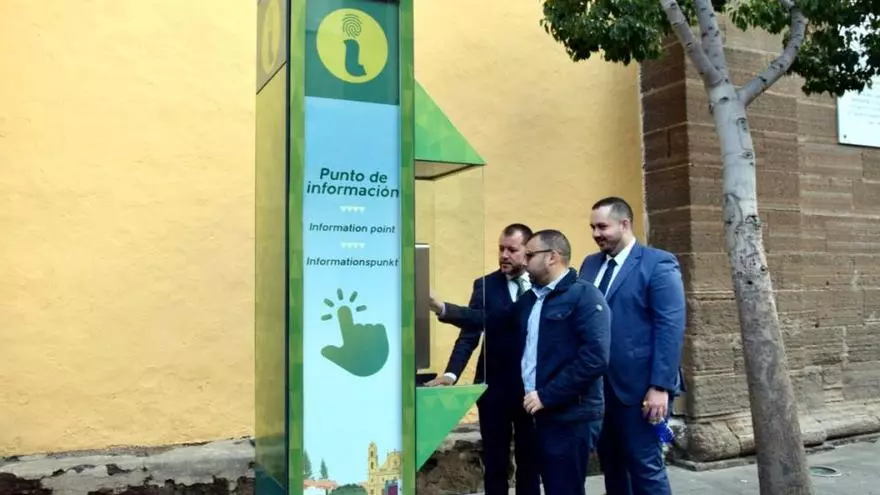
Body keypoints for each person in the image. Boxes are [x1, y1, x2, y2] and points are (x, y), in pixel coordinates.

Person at [440, 229, 611, 495]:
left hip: (564, 412)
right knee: (530, 475)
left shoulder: (584, 296)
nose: (520, 260)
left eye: (528, 255)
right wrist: (442, 308)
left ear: (551, 257)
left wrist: (547, 395)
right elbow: (490, 320)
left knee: (554, 480)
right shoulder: (533, 298)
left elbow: (595, 358)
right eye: (503, 249)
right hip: (527, 404)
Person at [578, 197, 686, 495]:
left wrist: (660, 386)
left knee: (645, 469)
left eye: (602, 227)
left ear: (624, 224)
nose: (596, 234)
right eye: (592, 227)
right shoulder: (590, 264)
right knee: (612, 467)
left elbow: (670, 327)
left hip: (640, 390)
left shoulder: (658, 263)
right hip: (599, 390)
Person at [427, 223, 540, 495]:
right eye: (501, 249)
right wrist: (451, 374)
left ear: (528, 251)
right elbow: (470, 333)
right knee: (495, 463)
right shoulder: (486, 285)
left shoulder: (542, 285)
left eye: (512, 250)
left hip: (532, 392)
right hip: (494, 391)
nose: (504, 255)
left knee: (530, 463)